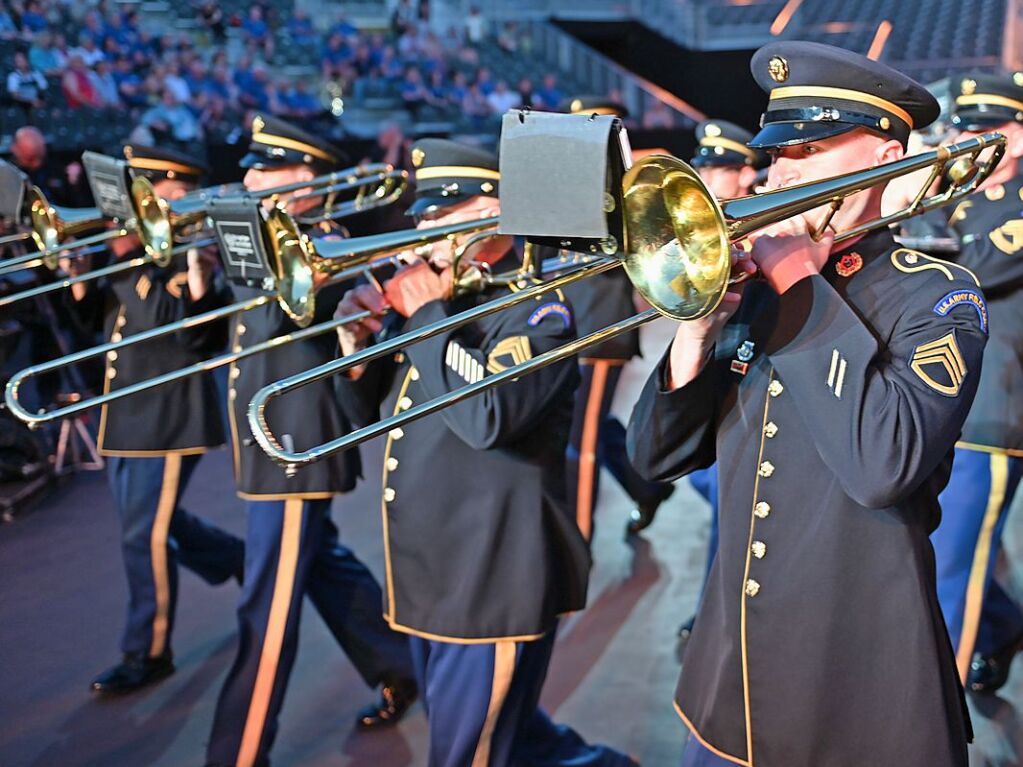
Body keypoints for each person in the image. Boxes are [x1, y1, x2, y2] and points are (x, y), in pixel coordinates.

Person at [627, 41, 987, 766]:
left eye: (812, 146)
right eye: (775, 152)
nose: (781, 170)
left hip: (855, 687)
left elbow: (881, 464)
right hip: (730, 675)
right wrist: (694, 335)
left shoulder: (938, 296)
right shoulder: (755, 293)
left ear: (885, 152)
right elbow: (652, 456)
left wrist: (799, 289)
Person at [334, 138, 635, 767]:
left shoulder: (540, 311)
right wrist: (353, 349)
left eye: (443, 216)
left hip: (488, 575)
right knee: (504, 736)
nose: (425, 236)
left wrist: (424, 319)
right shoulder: (448, 303)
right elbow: (367, 416)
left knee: (467, 751)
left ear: (492, 210)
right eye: (424, 220)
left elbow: (486, 417)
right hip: (431, 568)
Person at [204, 114, 417, 767]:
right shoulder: (266, 233)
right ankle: (396, 662)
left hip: (295, 443)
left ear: (304, 179)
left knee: (263, 613)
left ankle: (238, 752)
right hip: (267, 441)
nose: (248, 178)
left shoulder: (317, 244)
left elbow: (280, 318)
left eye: (265, 169)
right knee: (318, 562)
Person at [65, 145, 246, 695]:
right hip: (125, 409)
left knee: (142, 535)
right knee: (147, 525)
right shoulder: (131, 247)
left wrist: (183, 267)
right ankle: (237, 558)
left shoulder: (189, 248)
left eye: (149, 188)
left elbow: (191, 333)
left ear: (174, 189)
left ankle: (148, 650)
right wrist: (76, 270)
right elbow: (94, 321)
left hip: (169, 414)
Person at [930, 71, 1023, 694]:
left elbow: (975, 270)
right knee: (948, 544)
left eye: (984, 129)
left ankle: (938, 718)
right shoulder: (962, 200)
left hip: (994, 408)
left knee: (950, 569)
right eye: (964, 127)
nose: (968, 141)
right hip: (947, 401)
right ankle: (1005, 625)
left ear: (1015, 135)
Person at [558, 96, 675, 542]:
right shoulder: (563, 184)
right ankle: (645, 487)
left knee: (580, 446)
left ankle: (577, 549)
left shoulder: (623, 184)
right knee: (588, 427)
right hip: (563, 324)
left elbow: (660, 164)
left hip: (599, 330)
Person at [677, 119, 767, 646]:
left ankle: (716, 611)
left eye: (722, 169)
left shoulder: (764, 217)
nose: (710, 178)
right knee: (711, 483)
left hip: (753, 354)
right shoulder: (703, 218)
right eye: (706, 167)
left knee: (734, 499)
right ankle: (718, 605)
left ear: (746, 174)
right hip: (718, 353)